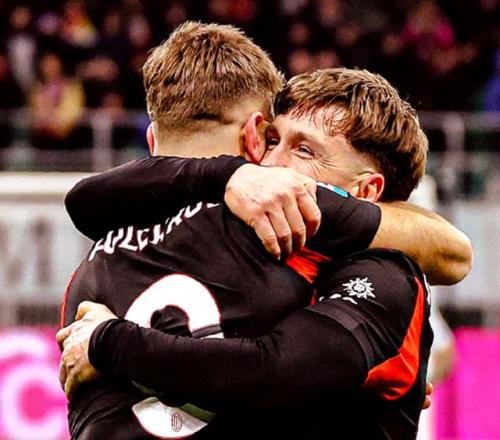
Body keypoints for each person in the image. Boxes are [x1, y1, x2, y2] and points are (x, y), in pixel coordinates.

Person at [58, 23, 471, 439]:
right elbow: (275, 373)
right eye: (273, 141)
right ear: (254, 136)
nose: (272, 164)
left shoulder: (87, 271)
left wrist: (107, 343)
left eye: (303, 150)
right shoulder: (273, 245)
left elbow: (82, 198)